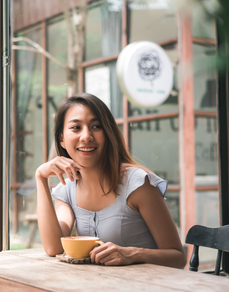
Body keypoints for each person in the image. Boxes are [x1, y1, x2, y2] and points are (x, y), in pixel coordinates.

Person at [35, 93, 186, 268]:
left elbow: (177, 258)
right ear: (61, 139)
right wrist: (41, 177)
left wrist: (132, 253)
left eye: (96, 126)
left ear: (107, 134)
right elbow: (54, 247)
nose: (86, 136)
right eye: (76, 127)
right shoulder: (66, 187)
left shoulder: (136, 183)